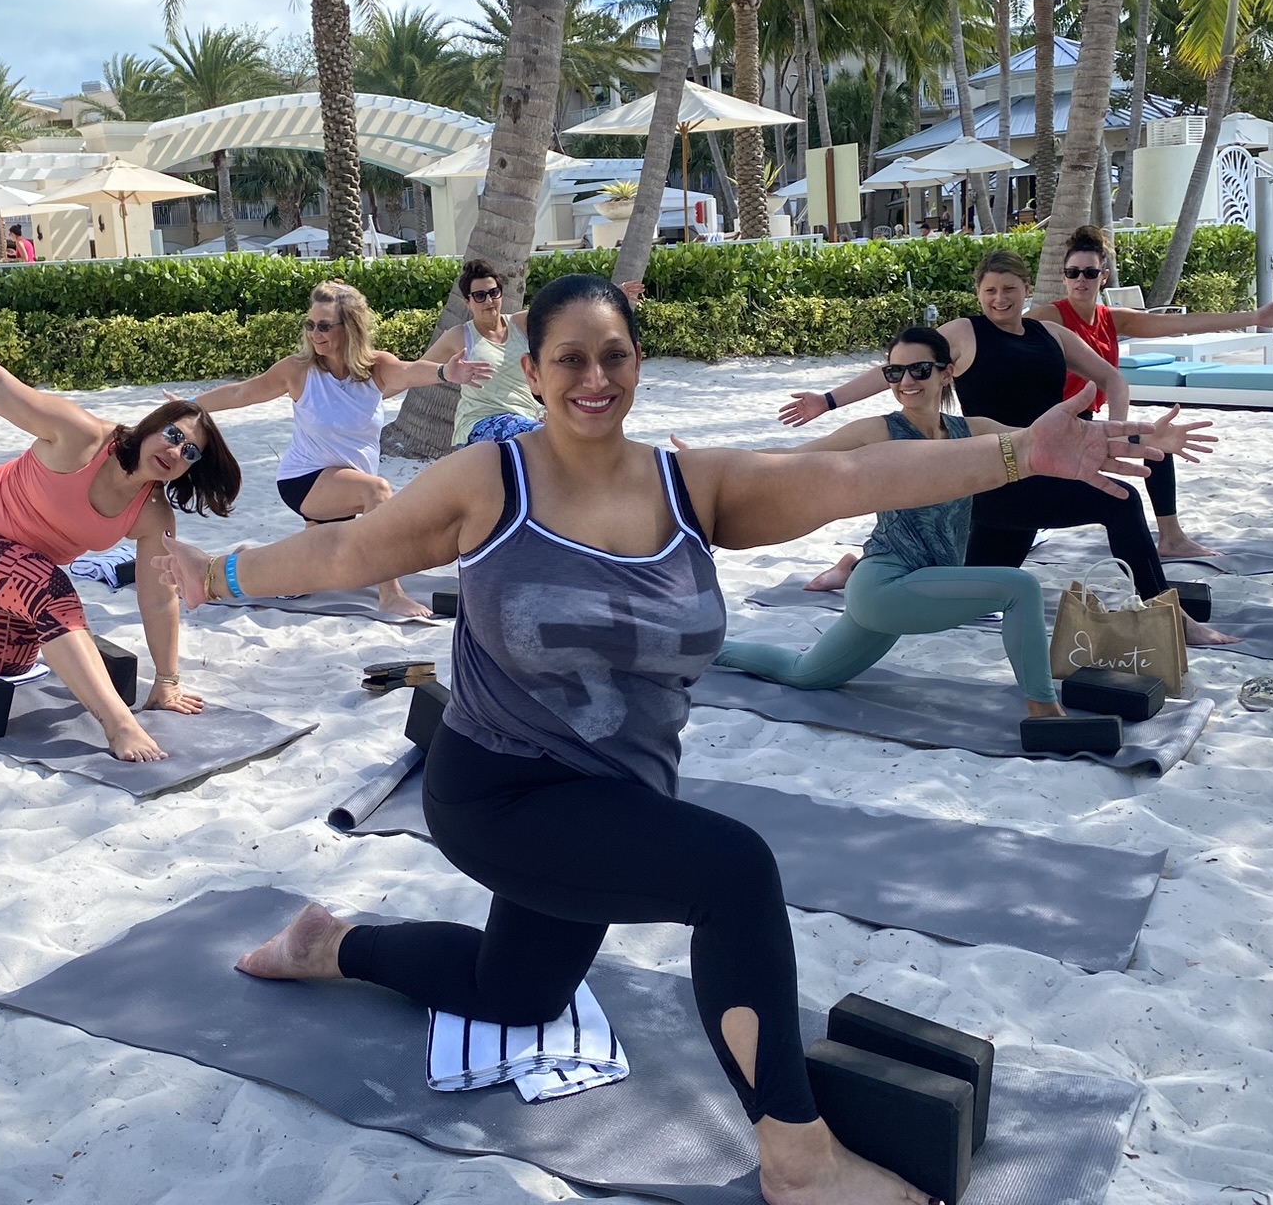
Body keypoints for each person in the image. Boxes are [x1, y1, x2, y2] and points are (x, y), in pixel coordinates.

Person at [151, 274, 1157, 1205]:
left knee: (519, 994)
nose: (594, 379)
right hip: (496, 793)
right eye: (570, 360)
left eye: (614, 356)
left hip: (613, 799)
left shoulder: (691, 489)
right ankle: (795, 1158)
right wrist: (219, 577)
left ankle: (331, 943)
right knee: (732, 874)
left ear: (638, 361)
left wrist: (1021, 451)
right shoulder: (486, 483)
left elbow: (856, 472)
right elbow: (340, 548)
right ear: (534, 371)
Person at [713, 325, 1215, 713]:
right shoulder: (877, 430)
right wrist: (718, 466)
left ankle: (707, 650)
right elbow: (794, 461)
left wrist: (1143, 438)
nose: (906, 382)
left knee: (806, 674)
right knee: (1019, 587)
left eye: (919, 371)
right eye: (894, 373)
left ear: (947, 372)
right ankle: (1043, 708)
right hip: (886, 584)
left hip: (920, 581)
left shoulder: (971, 430)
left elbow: (1052, 443)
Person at [779, 250, 1236, 647]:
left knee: (970, 576)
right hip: (993, 475)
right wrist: (828, 400)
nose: (1000, 299)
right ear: (978, 292)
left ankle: (855, 568)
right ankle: (1169, 617)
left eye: (1010, 289)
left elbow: (1112, 377)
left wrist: (1117, 428)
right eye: (990, 290)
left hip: (1047, 467)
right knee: (1120, 501)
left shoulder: (1050, 335)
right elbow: (902, 367)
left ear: (1026, 288)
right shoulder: (964, 333)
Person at [0, 291, 241, 763]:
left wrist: (167, 682)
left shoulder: (153, 514)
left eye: (189, 453)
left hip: (20, 571)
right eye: (174, 435)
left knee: (4, 662)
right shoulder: (84, 437)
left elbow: (157, 597)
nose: (176, 451)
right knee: (52, 593)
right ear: (154, 425)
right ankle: (118, 724)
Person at [196, 280, 491, 618]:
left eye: (324, 326)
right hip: (304, 480)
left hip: (343, 484)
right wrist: (191, 405)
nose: (314, 333)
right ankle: (391, 595)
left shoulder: (374, 368)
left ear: (348, 328)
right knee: (377, 491)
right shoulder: (299, 370)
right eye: (310, 325)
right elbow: (242, 393)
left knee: (301, 579)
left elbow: (409, 372)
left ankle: (246, 559)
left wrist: (445, 372)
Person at [1026, 223, 1273, 558]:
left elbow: (1181, 324)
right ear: (1064, 277)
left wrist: (1255, 316)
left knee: (1158, 442)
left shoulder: (1111, 319)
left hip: (1090, 422)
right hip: (1051, 424)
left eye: (1089, 272)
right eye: (1073, 273)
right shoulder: (1048, 316)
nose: (1080, 280)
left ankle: (1171, 538)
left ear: (1104, 276)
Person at [418, 259, 644, 447]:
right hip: (480, 425)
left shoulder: (519, 324)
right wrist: (445, 371)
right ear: (468, 302)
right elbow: (415, 369)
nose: (489, 300)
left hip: (525, 423)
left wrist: (615, 294)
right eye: (479, 296)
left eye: (493, 292)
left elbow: (562, 306)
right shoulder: (458, 336)